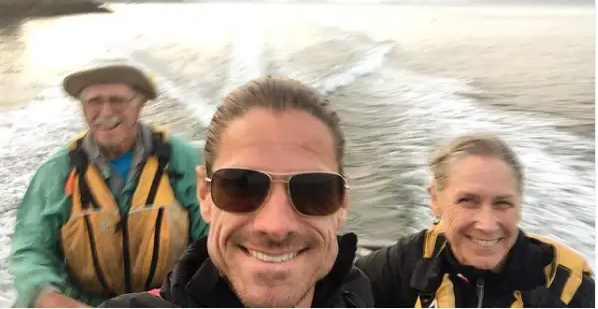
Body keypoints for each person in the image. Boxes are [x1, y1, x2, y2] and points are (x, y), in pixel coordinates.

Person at [100, 76, 374, 308]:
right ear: (204, 196)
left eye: (314, 190)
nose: (276, 226)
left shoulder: (358, 293)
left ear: (342, 202)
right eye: (241, 186)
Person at [10, 63, 209, 308]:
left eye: (117, 100)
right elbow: (30, 250)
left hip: (166, 300)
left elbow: (213, 240)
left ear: (141, 102)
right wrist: (49, 297)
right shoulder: (56, 172)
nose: (105, 112)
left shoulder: (185, 161)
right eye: (94, 101)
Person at [355, 133, 595, 307]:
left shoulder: (567, 289)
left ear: (519, 206)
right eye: (467, 201)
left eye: (502, 203)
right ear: (435, 200)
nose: (487, 225)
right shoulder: (410, 261)